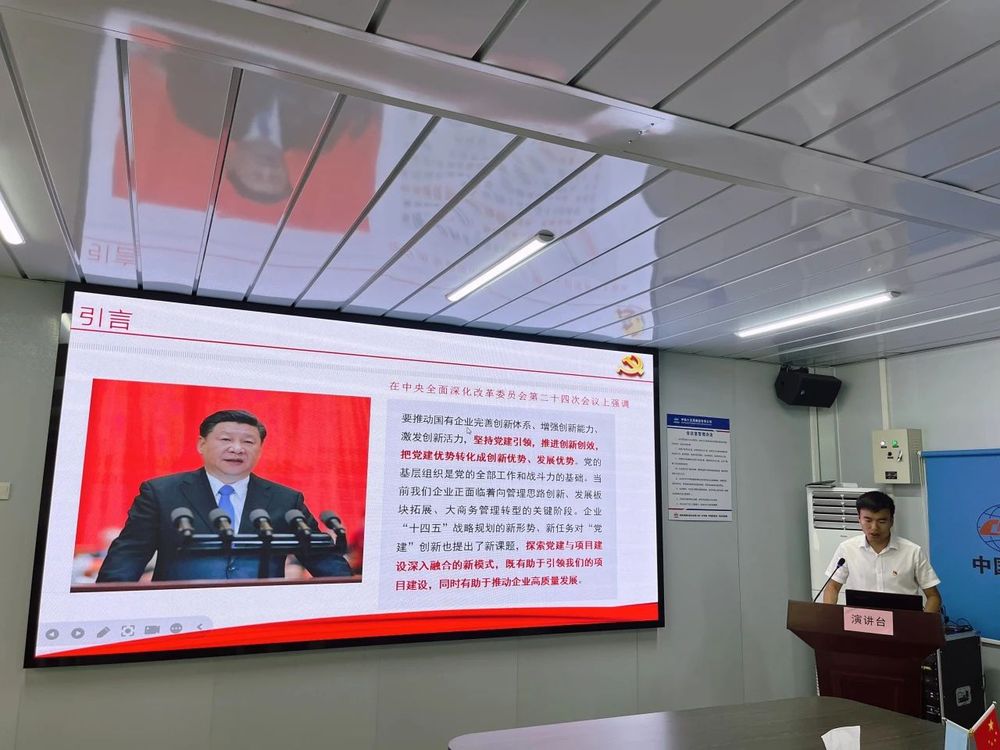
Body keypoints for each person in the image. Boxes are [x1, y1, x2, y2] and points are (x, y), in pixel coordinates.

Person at [97, 410, 351, 583]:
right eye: (226, 439)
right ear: (201, 444)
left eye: (248, 442)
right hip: (181, 614)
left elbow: (322, 558)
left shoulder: (286, 500)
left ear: (260, 450)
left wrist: (351, 594)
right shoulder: (161, 493)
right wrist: (106, 604)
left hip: (258, 615)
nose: (237, 448)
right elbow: (128, 555)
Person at [821, 490, 941, 612]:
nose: (874, 528)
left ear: (891, 521)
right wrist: (830, 616)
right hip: (862, 619)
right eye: (868, 520)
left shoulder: (912, 552)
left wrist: (922, 622)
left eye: (881, 521)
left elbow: (933, 596)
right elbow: (832, 587)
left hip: (903, 620)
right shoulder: (847, 548)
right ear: (859, 519)